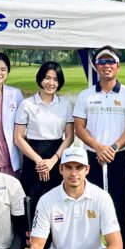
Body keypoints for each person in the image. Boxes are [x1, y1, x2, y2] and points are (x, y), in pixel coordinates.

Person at [72, 46, 125, 249]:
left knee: (119, 210)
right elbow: (79, 127)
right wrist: (99, 147)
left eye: (111, 62)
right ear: (96, 67)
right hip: (92, 158)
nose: (106, 65)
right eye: (102, 62)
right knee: (90, 209)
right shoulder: (86, 95)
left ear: (118, 67)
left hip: (117, 158)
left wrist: (113, 148)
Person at [14, 61, 74, 204]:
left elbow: (70, 136)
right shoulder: (27, 104)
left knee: (57, 203)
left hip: (57, 157)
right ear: (40, 78)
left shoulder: (65, 104)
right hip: (33, 157)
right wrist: (39, 162)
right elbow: (18, 137)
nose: (51, 83)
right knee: (32, 201)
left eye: (55, 79)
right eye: (47, 78)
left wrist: (53, 161)